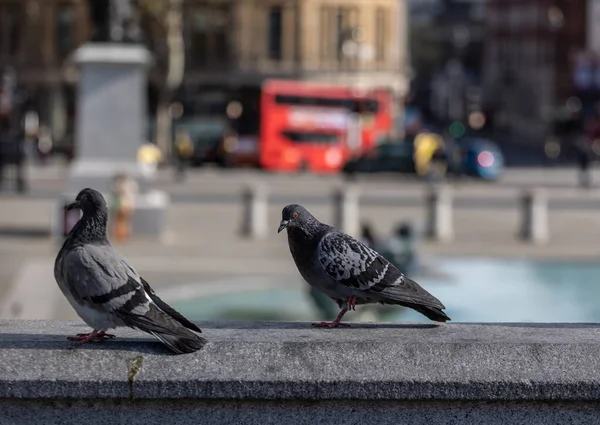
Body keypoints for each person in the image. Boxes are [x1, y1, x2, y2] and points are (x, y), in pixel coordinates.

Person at [110, 173, 138, 241]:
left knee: (122, 221)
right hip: (126, 204)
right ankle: (122, 235)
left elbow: (120, 192)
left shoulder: (123, 185)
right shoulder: (131, 184)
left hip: (123, 204)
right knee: (124, 221)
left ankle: (122, 236)